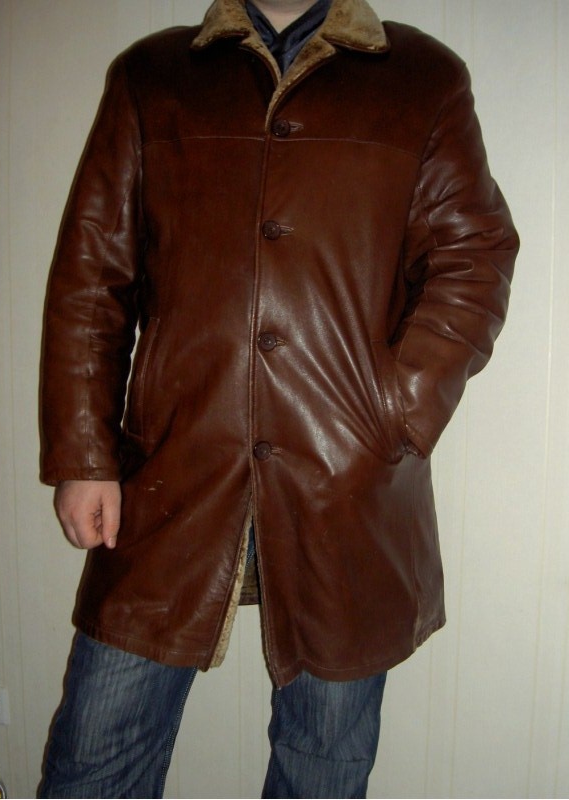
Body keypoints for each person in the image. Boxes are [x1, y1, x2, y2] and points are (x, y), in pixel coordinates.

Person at [38, 0, 519, 797]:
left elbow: (475, 256)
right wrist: (84, 455)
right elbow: (94, 276)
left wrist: (396, 413)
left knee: (322, 766)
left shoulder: (422, 78)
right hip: (173, 470)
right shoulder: (153, 77)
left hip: (348, 485)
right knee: (96, 755)